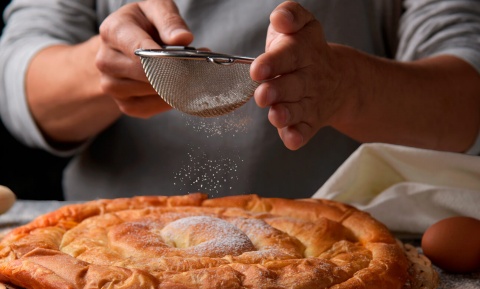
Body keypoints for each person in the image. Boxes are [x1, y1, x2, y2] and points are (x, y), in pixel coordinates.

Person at [0, 0, 479, 201]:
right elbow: (23, 86)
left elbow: (467, 97)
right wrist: (103, 68)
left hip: (334, 238)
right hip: (110, 248)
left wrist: (348, 87)